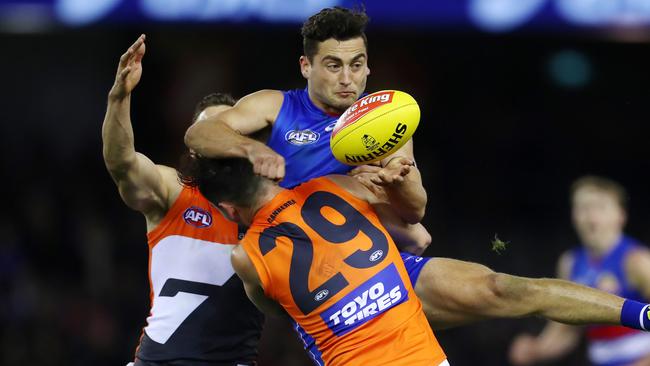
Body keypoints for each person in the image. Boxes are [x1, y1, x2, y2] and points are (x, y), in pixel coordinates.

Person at [181, 157, 650, 365]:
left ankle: (643, 315)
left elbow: (416, 215)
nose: (348, 75)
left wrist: (400, 179)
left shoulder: (338, 162)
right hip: (359, 327)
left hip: (395, 280)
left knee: (504, 287)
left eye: (356, 63)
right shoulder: (289, 137)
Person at [102, 35, 263, 366]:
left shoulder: (269, 208)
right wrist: (119, 98)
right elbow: (123, 163)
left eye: (225, 131)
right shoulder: (173, 192)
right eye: (207, 132)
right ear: (192, 147)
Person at [509, 176, 650, 366]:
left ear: (621, 216)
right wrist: (536, 349)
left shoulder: (637, 261)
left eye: (600, 207)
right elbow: (568, 331)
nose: (591, 217)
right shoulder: (570, 263)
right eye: (583, 208)